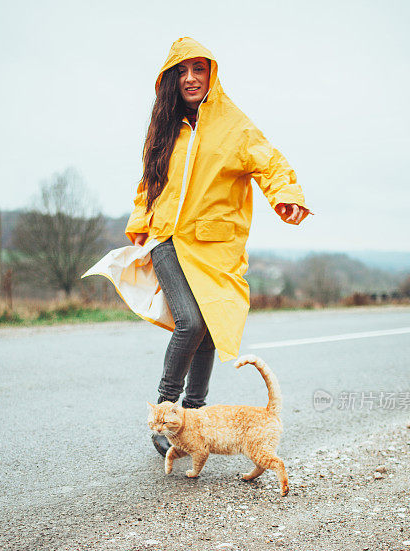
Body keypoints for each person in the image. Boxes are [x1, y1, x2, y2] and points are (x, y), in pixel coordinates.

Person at [125, 37, 310, 456]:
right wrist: (140, 223)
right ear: (171, 79)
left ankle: (194, 417)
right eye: (182, 71)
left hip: (213, 246)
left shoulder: (234, 125)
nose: (191, 78)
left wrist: (288, 196)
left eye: (199, 69)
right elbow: (148, 184)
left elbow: (271, 162)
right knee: (190, 322)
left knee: (208, 327)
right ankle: (166, 411)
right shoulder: (165, 127)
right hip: (167, 237)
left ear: (212, 74)